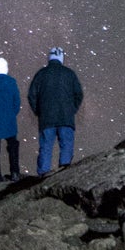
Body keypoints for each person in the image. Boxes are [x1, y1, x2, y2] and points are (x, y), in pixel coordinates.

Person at [27, 46, 84, 175]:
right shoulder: (70, 74)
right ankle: (64, 174)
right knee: (66, 146)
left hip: (46, 118)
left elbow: (32, 95)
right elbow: (78, 94)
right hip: (66, 118)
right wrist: (72, 110)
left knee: (46, 148)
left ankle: (42, 175)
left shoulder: (41, 74)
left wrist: (38, 111)